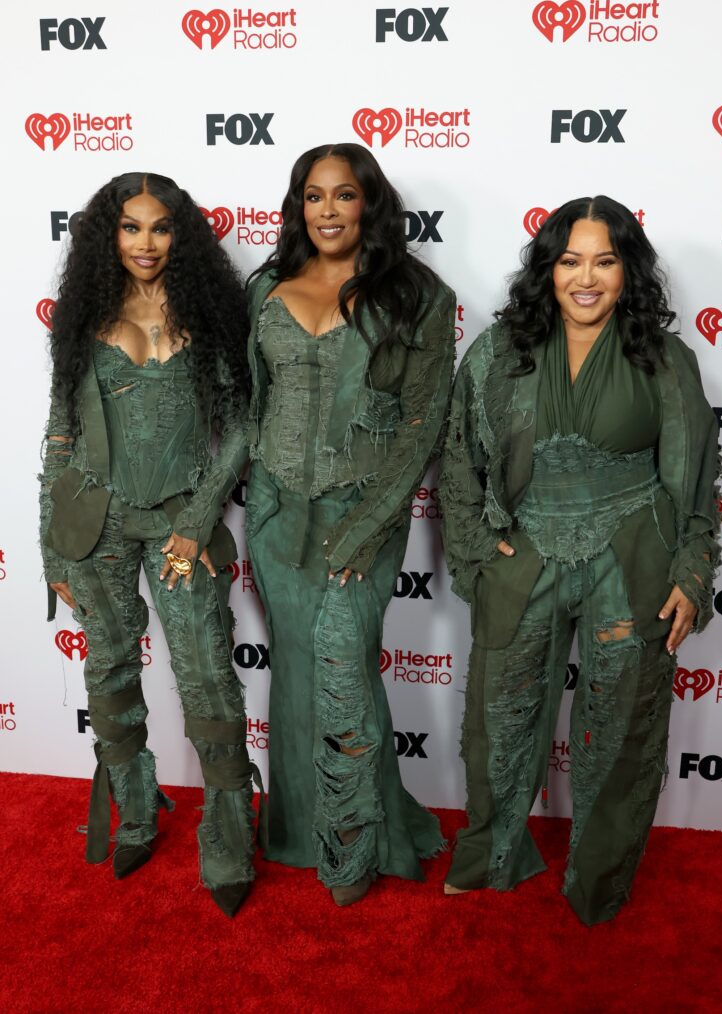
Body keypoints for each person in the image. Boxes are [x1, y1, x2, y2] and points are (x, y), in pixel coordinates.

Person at [440, 196, 721, 924]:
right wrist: (476, 547)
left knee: (620, 728)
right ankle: (490, 856)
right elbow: (460, 457)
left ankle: (598, 880)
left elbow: (693, 480)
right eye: (570, 261)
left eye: (605, 261)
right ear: (548, 268)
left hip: (632, 559)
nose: (586, 278)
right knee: (497, 721)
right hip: (523, 554)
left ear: (629, 271)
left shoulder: (665, 360)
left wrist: (692, 573)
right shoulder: (497, 354)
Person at [39, 172, 257, 916]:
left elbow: (243, 427)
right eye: (130, 227)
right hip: (94, 524)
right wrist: (52, 547)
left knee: (208, 678)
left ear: (180, 234)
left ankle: (229, 836)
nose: (145, 242)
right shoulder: (84, 316)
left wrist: (198, 519)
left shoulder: (210, 313)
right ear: (109, 235)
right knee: (108, 670)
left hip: (176, 524)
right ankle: (135, 813)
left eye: (160, 227)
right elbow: (61, 434)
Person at [245, 142, 455, 905]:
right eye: (313, 195)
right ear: (298, 206)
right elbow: (252, 403)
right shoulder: (264, 286)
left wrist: (368, 528)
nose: (327, 210)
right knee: (298, 669)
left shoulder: (419, 296)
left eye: (343, 194)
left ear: (370, 202)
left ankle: (357, 844)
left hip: (364, 511)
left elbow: (423, 425)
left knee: (343, 664)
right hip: (276, 515)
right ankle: (298, 832)